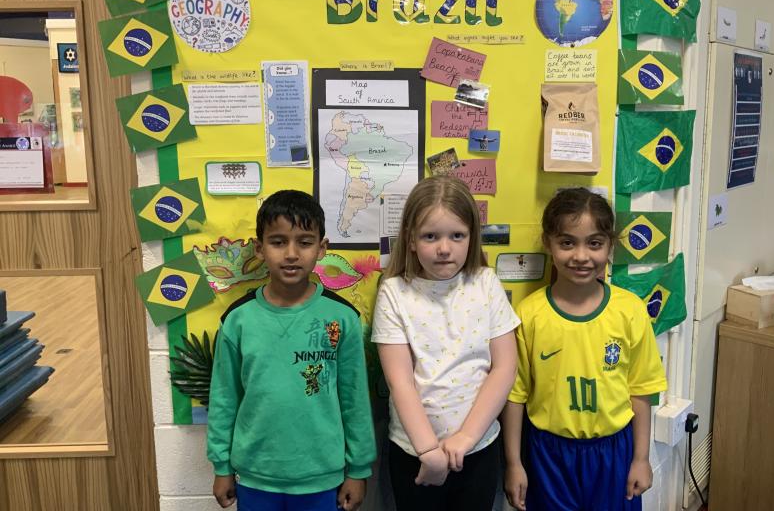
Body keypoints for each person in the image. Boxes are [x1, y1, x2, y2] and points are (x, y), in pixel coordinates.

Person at [207, 190, 376, 511]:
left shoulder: (342, 318)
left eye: (305, 242)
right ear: (260, 248)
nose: (291, 254)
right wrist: (222, 466)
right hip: (255, 476)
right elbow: (224, 398)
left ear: (322, 248)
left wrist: (358, 470)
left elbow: (354, 399)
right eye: (278, 241)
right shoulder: (238, 320)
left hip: (323, 477)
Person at [502, 187, 667, 511]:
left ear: (610, 245)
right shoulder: (529, 314)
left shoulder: (630, 310)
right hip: (548, 454)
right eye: (567, 243)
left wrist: (641, 458)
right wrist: (513, 463)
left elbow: (641, 389)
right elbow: (515, 395)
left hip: (614, 452)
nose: (581, 256)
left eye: (594, 243)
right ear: (548, 243)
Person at [372, 176, 520, 511]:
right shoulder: (394, 292)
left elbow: (505, 367)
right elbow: (400, 381)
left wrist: (466, 437)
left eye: (457, 235)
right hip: (414, 453)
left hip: (478, 448)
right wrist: (429, 451)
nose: (444, 248)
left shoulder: (486, 283)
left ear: (472, 237)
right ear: (411, 240)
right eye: (430, 236)